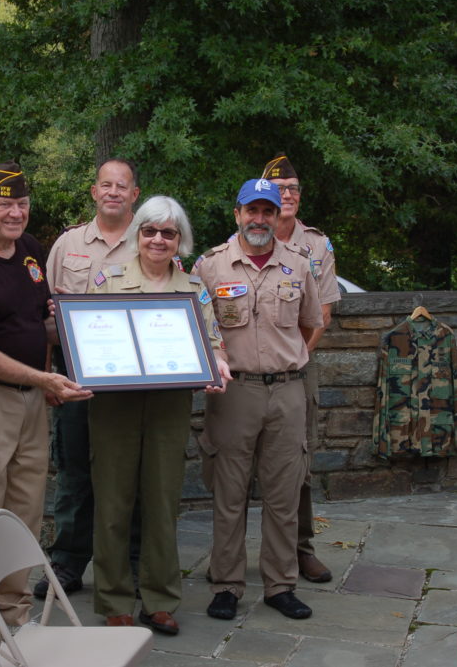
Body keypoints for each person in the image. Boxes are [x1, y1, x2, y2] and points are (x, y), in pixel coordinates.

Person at [0, 161, 93, 661]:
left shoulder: (31, 252)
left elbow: (38, 322)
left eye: (22, 203)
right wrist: (40, 377)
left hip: (33, 402)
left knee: (24, 512)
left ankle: (13, 612)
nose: (15, 212)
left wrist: (50, 373)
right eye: (4, 203)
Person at [88, 195, 230, 635]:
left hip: (170, 404)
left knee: (163, 502)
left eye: (168, 233)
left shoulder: (193, 289)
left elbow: (213, 341)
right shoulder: (107, 280)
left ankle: (159, 599)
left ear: (180, 240)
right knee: (112, 503)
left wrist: (218, 364)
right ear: (138, 234)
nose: (157, 239)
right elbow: (88, 337)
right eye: (149, 230)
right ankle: (114, 598)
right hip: (114, 405)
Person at [194, 177, 324, 622]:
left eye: (268, 211)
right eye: (252, 210)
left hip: (287, 391)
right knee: (229, 493)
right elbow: (196, 329)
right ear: (237, 214)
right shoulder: (211, 267)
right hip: (235, 393)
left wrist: (285, 361)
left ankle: (280, 584)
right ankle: (227, 583)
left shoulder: (299, 264)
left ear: (277, 215)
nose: (260, 219)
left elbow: (309, 325)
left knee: (283, 493)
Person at [35, 158, 141, 599]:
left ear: (135, 193)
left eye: (123, 185)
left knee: (131, 476)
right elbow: (44, 315)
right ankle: (67, 563)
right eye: (106, 185)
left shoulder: (153, 239)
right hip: (76, 380)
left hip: (134, 387)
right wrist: (45, 375)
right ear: (94, 192)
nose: (113, 192)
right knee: (75, 473)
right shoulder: (67, 245)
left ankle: (130, 565)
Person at [260, 153, 341, 584]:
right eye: (278, 189)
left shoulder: (317, 246)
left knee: (298, 461)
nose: (286, 195)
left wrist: (295, 359)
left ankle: (300, 548)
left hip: (299, 365)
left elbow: (322, 315)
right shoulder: (245, 235)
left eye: (293, 188)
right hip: (247, 370)